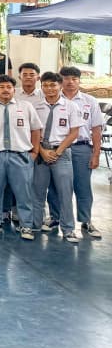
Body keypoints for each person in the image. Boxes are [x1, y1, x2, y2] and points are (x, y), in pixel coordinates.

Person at [0, 74, 41, 239]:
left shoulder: (25, 106)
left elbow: (36, 129)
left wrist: (34, 152)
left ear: (14, 90)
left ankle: (26, 225)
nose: (5, 90)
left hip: (20, 155)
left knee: (23, 192)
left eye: (9, 87)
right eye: (2, 87)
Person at [31, 72, 81, 243]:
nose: (49, 89)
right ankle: (35, 225)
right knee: (37, 192)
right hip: (41, 152)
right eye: (45, 85)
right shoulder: (36, 107)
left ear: (60, 86)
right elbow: (34, 132)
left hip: (62, 153)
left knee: (65, 193)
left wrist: (58, 151)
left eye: (53, 85)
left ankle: (68, 229)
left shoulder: (70, 106)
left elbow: (74, 132)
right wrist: (43, 152)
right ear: (41, 87)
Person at [59, 66, 103, 239]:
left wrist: (96, 154)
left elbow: (96, 129)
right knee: (57, 187)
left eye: (74, 78)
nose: (70, 82)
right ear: (60, 79)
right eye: (66, 78)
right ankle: (56, 218)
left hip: (82, 148)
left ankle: (86, 220)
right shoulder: (54, 97)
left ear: (79, 80)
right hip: (60, 148)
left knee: (83, 186)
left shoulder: (89, 101)